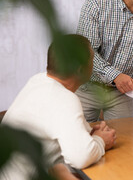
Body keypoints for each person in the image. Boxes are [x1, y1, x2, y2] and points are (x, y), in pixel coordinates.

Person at [1, 34, 116, 180]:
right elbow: (80, 158)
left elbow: (60, 126)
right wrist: (101, 141)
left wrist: (90, 133)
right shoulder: (65, 98)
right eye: (92, 60)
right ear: (81, 70)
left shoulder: (37, 81)